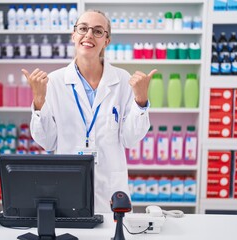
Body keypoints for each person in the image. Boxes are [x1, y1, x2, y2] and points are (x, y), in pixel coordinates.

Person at [22, 9, 157, 213]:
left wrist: (141, 100)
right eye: (83, 29)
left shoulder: (122, 80)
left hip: (110, 187)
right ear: (73, 35)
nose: (89, 35)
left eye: (97, 31)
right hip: (67, 183)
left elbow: (130, 139)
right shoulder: (54, 81)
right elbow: (47, 142)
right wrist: (39, 100)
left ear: (107, 40)